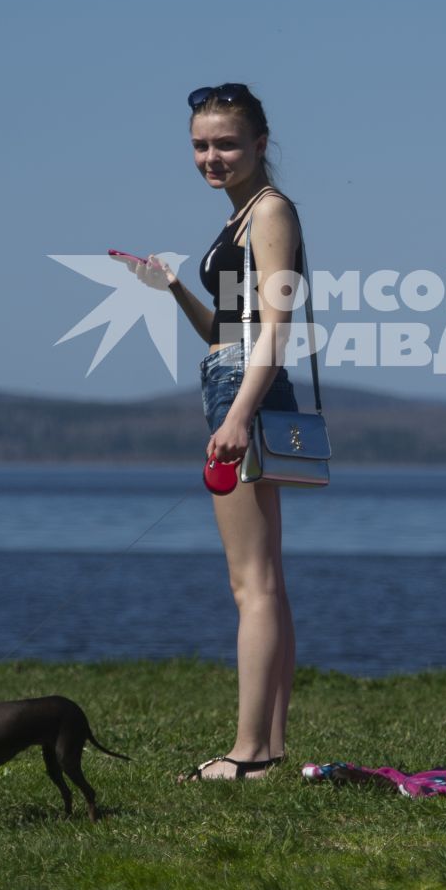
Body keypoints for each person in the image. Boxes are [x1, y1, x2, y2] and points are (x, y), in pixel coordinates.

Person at [124, 82, 304, 781]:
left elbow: (276, 329)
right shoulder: (241, 217)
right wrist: (169, 287)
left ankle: (249, 752)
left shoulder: (271, 214)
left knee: (252, 585)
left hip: (246, 395)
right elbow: (227, 330)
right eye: (200, 144)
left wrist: (237, 415)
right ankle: (271, 748)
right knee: (267, 584)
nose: (211, 156)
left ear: (262, 142)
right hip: (235, 381)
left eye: (226, 142)